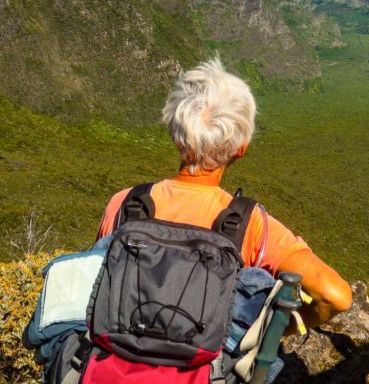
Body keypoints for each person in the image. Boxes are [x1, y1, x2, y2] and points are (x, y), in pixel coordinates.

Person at [97, 57, 352, 335]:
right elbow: (334, 295)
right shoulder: (250, 224)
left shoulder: (124, 204)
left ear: (176, 134)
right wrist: (268, 333)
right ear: (241, 148)